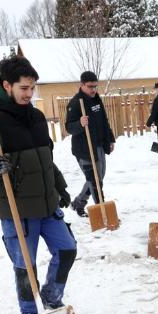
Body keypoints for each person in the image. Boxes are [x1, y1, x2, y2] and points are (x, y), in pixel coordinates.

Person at [0, 55, 76, 314]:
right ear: (7, 85)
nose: (29, 94)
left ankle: (52, 296)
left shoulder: (37, 117)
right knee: (25, 267)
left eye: (32, 88)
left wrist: (60, 188)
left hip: (47, 205)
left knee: (67, 250)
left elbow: (45, 162)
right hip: (17, 210)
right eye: (24, 88)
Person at [65, 71, 116, 217]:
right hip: (84, 149)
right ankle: (102, 213)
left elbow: (104, 121)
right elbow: (68, 127)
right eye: (90, 86)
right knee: (95, 181)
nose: (93, 89)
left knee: (98, 178)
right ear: (82, 85)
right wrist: (80, 124)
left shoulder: (96, 99)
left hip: (98, 145)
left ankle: (78, 203)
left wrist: (110, 138)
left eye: (95, 86)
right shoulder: (75, 103)